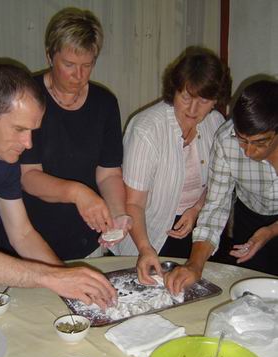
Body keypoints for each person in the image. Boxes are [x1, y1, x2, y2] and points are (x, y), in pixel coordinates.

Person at [0, 8, 131, 261]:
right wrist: (79, 193)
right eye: (69, 64)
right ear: (49, 55)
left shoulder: (105, 103)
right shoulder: (28, 98)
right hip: (27, 234)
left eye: (87, 65)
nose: (78, 75)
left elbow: (109, 173)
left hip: (84, 234)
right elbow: (28, 176)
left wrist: (117, 212)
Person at [0, 63, 116, 307]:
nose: (28, 144)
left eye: (32, 131)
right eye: (19, 129)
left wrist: (65, 278)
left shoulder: (5, 159)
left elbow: (22, 234)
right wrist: (50, 277)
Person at [113, 47, 231, 285]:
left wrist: (197, 208)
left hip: (196, 231)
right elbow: (133, 203)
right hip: (147, 233)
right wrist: (146, 249)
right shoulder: (147, 130)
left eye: (204, 100)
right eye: (186, 97)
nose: (193, 109)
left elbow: (220, 183)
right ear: (173, 90)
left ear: (216, 100)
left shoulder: (216, 123)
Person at [165, 79, 278, 294]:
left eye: (260, 142)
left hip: (270, 226)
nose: (248, 152)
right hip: (252, 217)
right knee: (253, 295)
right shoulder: (226, 140)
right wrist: (194, 265)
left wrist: (271, 231)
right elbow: (215, 206)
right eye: (242, 140)